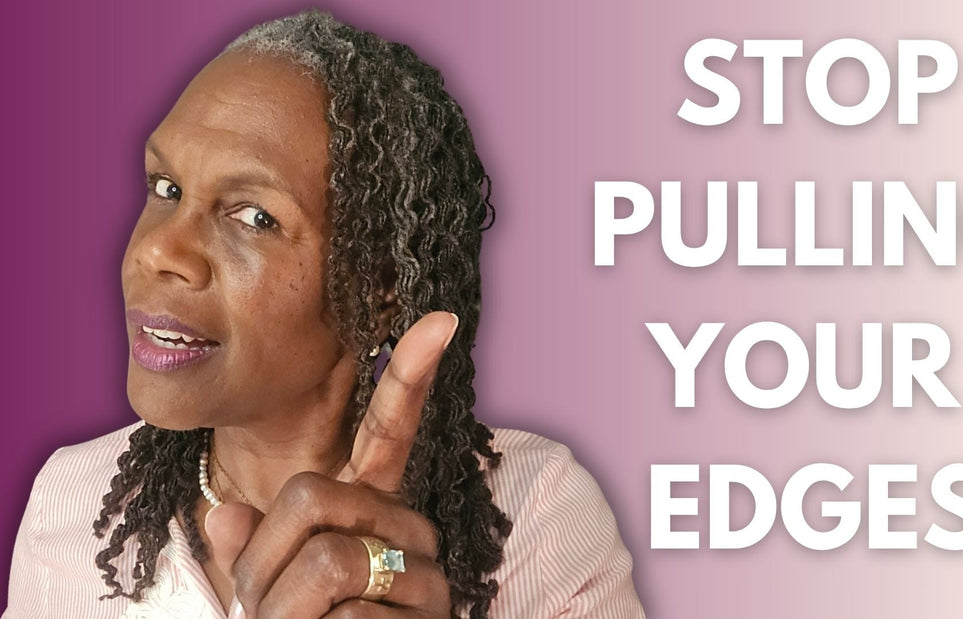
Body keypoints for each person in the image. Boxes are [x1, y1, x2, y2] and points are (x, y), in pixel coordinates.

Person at [5, 10, 643, 619]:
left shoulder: (537, 517)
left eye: (255, 217)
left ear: (377, 289)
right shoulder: (74, 503)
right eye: (165, 189)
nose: (157, 249)